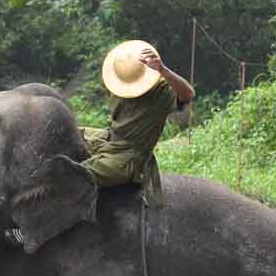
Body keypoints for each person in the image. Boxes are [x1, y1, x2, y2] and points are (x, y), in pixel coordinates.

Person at [81, 40, 195, 207]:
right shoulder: (117, 84)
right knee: (66, 132)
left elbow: (188, 94)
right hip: (110, 137)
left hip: (128, 156)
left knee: (76, 176)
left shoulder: (161, 92)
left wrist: (163, 70)